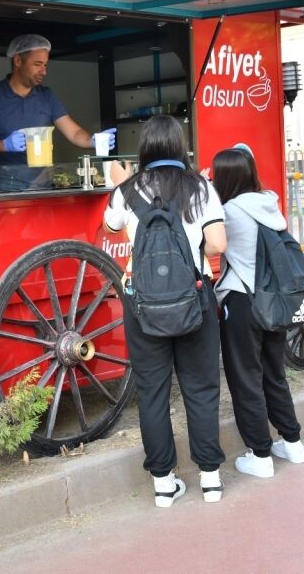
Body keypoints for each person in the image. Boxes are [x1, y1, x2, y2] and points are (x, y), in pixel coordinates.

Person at [103, 115, 227, 507]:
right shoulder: (200, 187)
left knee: (153, 392)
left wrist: (116, 184)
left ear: (145, 150)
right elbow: (217, 246)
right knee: (201, 387)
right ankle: (210, 479)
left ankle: (163, 483)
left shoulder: (128, 190)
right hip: (195, 298)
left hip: (143, 305)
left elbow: (110, 228)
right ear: (179, 146)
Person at [212, 145, 304, 479]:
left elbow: (210, 245)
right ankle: (292, 442)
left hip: (242, 302)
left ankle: (260, 454)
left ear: (224, 178)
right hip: (274, 301)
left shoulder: (230, 211)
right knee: (274, 372)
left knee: (245, 378)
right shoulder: (269, 202)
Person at [0, 34, 116, 193]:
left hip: (41, 189)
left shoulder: (47, 96)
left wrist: (92, 141)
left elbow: (74, 132)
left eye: (45, 64)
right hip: (3, 192)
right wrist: (3, 145)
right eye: (37, 64)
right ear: (18, 61)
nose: (43, 71)